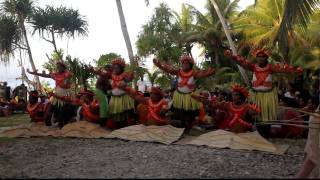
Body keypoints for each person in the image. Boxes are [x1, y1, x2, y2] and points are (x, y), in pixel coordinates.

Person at [224, 49, 302, 136]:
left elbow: (283, 70)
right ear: (256, 58)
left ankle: (265, 133)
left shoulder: (271, 67)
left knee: (266, 116)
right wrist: (232, 57)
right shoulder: (253, 67)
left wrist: (295, 71)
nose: (261, 59)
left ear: (266, 58)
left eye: (263, 57)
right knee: (256, 115)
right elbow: (242, 63)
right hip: (255, 95)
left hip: (268, 96)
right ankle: (256, 132)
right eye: (259, 57)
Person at [153, 55, 215, 133]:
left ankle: (191, 126)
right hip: (179, 96)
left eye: (187, 63)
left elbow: (202, 74)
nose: (185, 64)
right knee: (179, 113)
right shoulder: (178, 72)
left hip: (190, 97)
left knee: (191, 114)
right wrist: (159, 65)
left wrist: (209, 73)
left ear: (190, 65)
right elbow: (168, 70)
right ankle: (182, 126)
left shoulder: (194, 73)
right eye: (183, 63)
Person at [192, 84, 261, 133]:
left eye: (236, 95)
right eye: (233, 95)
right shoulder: (228, 105)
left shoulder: (247, 107)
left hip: (245, 134)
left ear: (241, 96)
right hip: (231, 133)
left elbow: (256, 113)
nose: (234, 97)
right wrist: (201, 99)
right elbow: (213, 104)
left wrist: (255, 110)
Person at [27, 60, 74, 128]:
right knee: (51, 109)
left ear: (64, 67)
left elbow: (71, 75)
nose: (58, 68)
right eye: (57, 67)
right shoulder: (55, 75)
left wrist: (67, 73)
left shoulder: (67, 74)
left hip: (66, 96)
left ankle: (64, 121)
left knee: (65, 109)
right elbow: (45, 75)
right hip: (56, 96)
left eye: (60, 67)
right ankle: (55, 121)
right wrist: (33, 73)